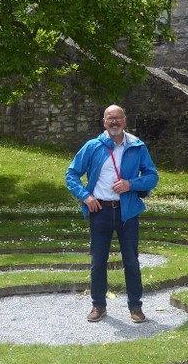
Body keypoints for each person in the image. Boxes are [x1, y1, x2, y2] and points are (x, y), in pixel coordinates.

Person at [65, 104, 159, 323]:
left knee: (131, 261)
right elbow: (71, 174)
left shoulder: (137, 146)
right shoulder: (92, 146)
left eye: (118, 118)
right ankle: (98, 306)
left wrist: (130, 184)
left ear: (125, 121)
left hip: (127, 212)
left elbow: (152, 176)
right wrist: (86, 197)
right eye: (110, 119)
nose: (114, 122)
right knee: (98, 261)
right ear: (104, 122)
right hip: (100, 212)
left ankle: (135, 307)